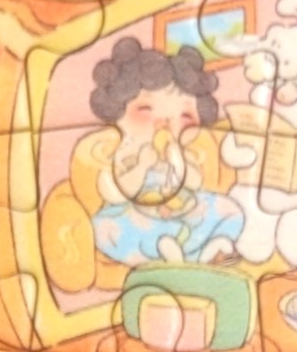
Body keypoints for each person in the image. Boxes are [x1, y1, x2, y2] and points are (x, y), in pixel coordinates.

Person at [76, 38, 244, 268]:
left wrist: (177, 161)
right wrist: (142, 166)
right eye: (146, 110)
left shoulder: (179, 151)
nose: (164, 123)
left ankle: (208, 252)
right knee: (107, 230)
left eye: (184, 115)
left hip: (180, 211)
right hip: (136, 216)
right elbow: (113, 193)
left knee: (230, 210)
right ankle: (169, 256)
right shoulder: (122, 152)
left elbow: (195, 183)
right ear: (117, 110)